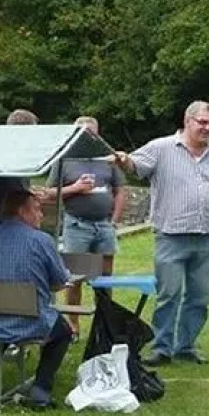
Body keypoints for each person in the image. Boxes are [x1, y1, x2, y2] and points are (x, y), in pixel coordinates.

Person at [113, 100, 209, 365]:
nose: (207, 128)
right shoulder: (161, 148)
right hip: (171, 236)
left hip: (206, 239)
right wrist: (123, 161)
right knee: (169, 294)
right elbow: (134, 165)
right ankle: (161, 347)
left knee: (199, 297)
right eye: (202, 122)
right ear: (187, 120)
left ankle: (186, 345)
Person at [0, 189, 73, 409]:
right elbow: (60, 281)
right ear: (23, 211)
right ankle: (41, 388)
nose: (41, 215)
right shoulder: (41, 241)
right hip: (31, 322)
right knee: (64, 332)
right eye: (38, 209)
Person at [45, 115, 126, 325]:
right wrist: (76, 188)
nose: (87, 138)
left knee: (105, 277)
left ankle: (104, 324)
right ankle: (73, 325)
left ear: (98, 134)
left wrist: (114, 220)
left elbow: (120, 190)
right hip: (76, 225)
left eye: (91, 133)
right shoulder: (65, 158)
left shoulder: (108, 158)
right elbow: (49, 192)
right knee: (74, 277)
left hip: (104, 225)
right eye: (82, 134)